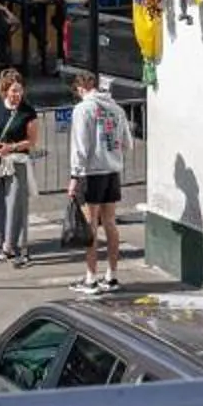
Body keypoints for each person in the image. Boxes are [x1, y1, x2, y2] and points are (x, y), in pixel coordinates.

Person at [66, 70, 132, 292]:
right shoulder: (116, 108)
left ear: (80, 89)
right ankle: (112, 275)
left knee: (91, 225)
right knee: (110, 223)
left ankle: (90, 278)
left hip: (90, 173)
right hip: (112, 171)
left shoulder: (82, 109)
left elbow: (80, 146)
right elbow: (127, 143)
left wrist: (75, 176)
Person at [0, 66, 38, 265]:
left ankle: (10, 247)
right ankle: (0, 242)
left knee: (14, 204)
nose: (17, 95)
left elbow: (32, 141)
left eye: (20, 90)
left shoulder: (28, 112)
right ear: (5, 90)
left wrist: (11, 147)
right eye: (14, 91)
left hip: (17, 163)